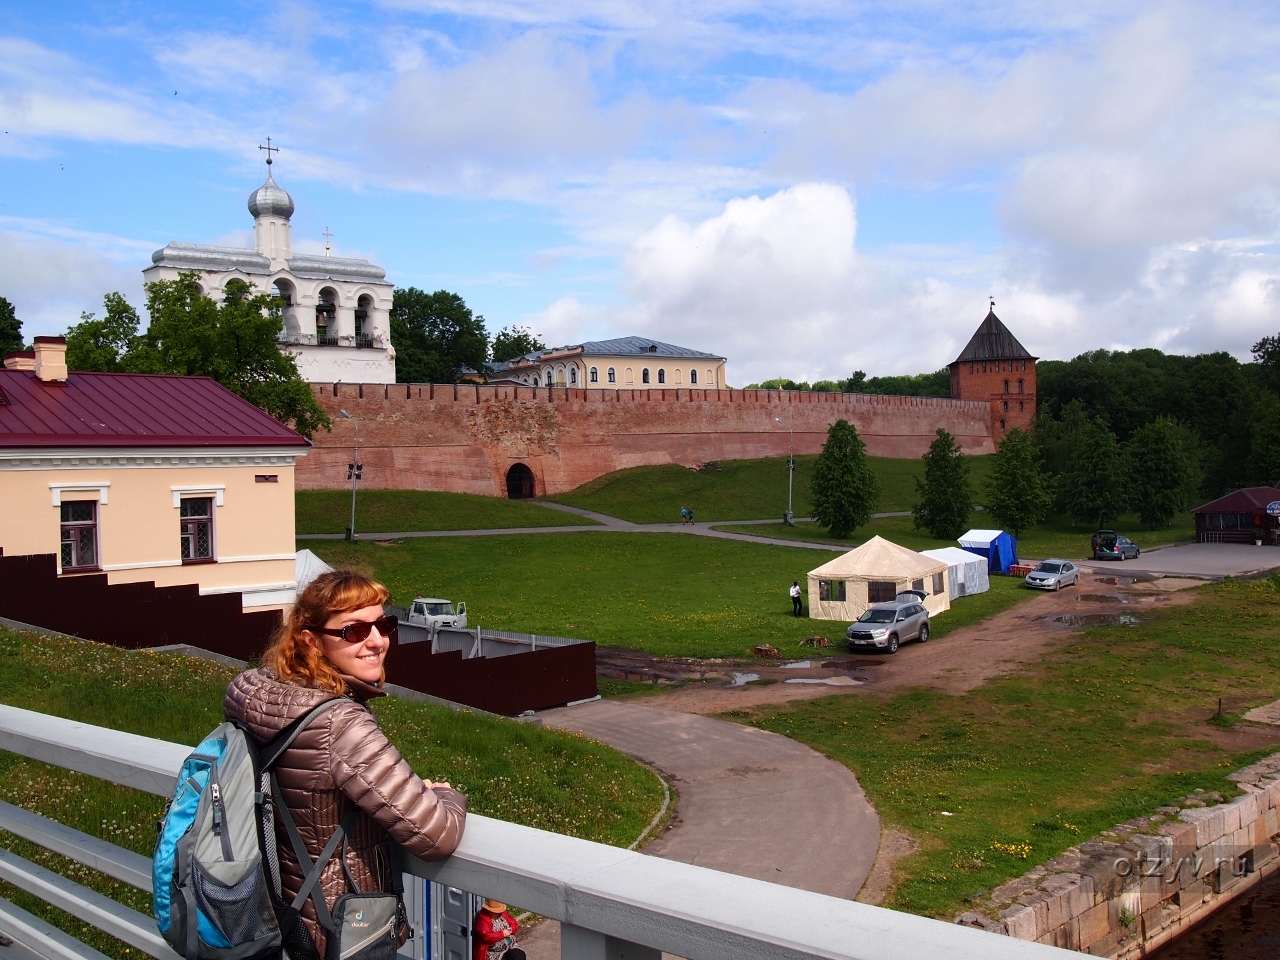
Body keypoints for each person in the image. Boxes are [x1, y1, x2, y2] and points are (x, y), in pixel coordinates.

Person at [224, 570, 467, 960]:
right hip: (336, 932)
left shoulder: (256, 691)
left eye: (384, 624)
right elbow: (438, 837)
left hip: (273, 916)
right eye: (354, 631)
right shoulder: (340, 723)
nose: (377, 641)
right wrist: (446, 794)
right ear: (311, 641)